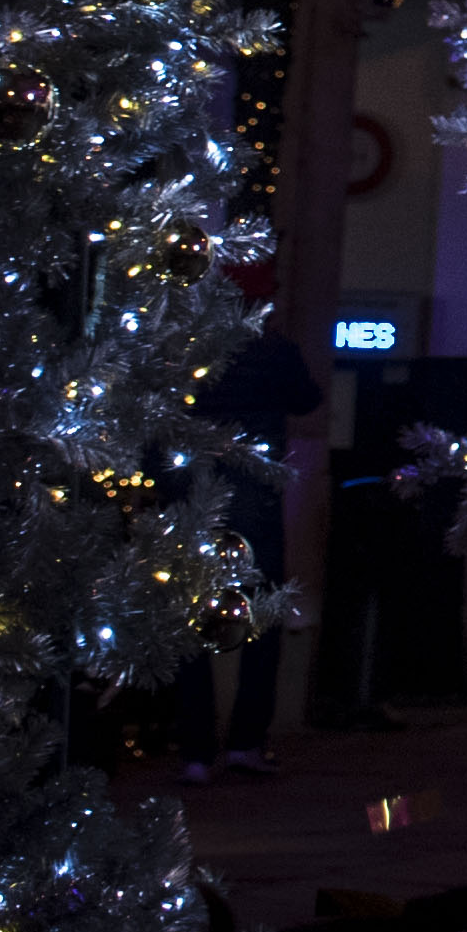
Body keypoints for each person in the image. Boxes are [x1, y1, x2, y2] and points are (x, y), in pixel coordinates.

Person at [174, 307, 331, 780]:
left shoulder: (190, 347)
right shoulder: (274, 349)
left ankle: (195, 751)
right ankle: (246, 741)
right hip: (255, 494)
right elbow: (307, 399)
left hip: (195, 493)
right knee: (261, 615)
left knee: (191, 618)